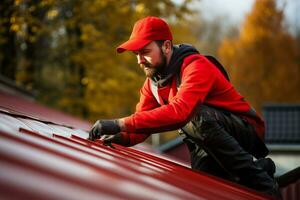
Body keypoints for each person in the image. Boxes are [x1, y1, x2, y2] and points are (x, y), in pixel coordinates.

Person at [88, 16, 281, 198]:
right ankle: (259, 169)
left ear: (166, 46)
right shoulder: (152, 85)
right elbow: (142, 125)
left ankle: (263, 183)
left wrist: (119, 123)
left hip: (244, 130)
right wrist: (120, 137)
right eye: (136, 54)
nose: (139, 60)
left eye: (145, 52)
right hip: (205, 133)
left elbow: (181, 112)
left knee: (193, 119)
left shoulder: (196, 66)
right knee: (205, 187)